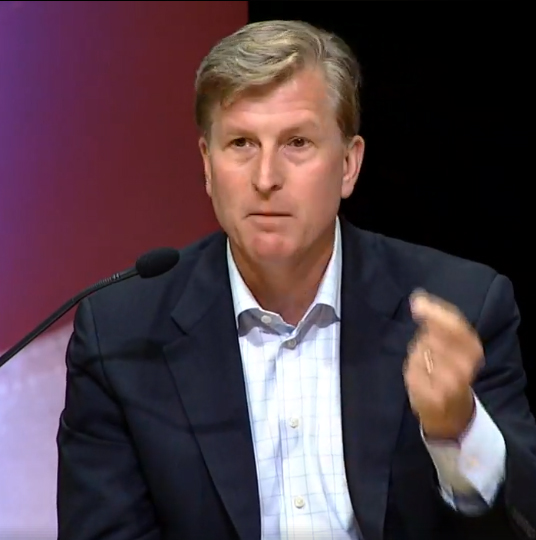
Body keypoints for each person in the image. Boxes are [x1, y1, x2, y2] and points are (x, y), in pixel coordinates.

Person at [56, 19, 536, 540]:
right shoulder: (121, 336)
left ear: (348, 164)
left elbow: (519, 524)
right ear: (207, 165)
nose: (266, 178)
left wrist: (456, 429)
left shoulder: (463, 307)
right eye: (241, 143)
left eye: (297, 142)